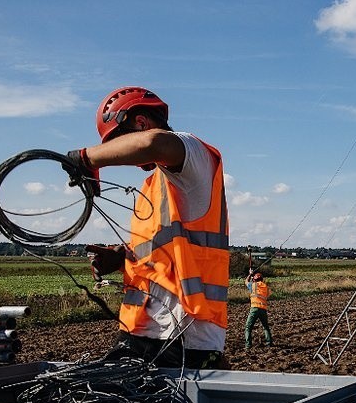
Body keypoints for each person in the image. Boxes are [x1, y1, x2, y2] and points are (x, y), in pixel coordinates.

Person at [64, 86, 229, 369]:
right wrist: (121, 259)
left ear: (140, 123)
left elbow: (153, 143)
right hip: (139, 334)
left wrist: (87, 158)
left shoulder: (193, 157)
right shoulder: (153, 187)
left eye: (117, 142)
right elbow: (161, 257)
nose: (115, 154)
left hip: (185, 338)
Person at [244, 271, 273, 347]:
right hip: (263, 309)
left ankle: (248, 345)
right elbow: (268, 294)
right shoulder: (266, 287)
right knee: (265, 327)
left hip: (254, 308)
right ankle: (269, 343)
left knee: (248, 327)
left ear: (254, 280)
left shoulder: (253, 285)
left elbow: (246, 282)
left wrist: (250, 274)